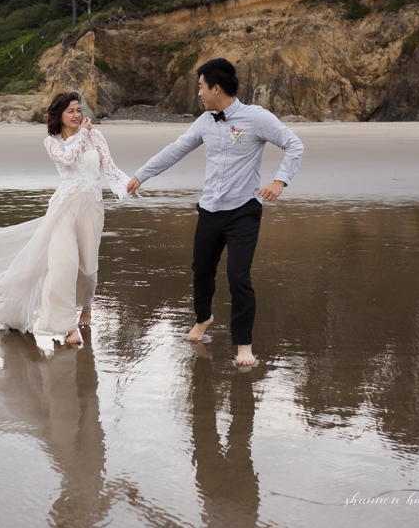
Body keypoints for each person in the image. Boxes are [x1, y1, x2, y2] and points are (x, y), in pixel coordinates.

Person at [126, 58, 304, 367]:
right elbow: (175, 149)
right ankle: (203, 318)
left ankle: (244, 345)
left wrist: (280, 180)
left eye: (201, 87)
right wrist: (141, 175)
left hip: (243, 211)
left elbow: (294, 144)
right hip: (209, 209)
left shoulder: (255, 118)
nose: (199, 93)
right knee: (201, 270)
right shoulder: (205, 121)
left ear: (216, 87)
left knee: (238, 276)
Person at [0, 92, 132, 346]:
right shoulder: (52, 142)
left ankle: (86, 305)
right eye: (71, 111)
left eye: (79, 110)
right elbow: (68, 161)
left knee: (88, 269)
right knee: (62, 266)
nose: (77, 115)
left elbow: (109, 167)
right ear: (59, 115)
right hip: (64, 209)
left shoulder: (96, 136)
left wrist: (128, 184)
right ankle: (68, 328)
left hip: (91, 208)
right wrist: (83, 135)